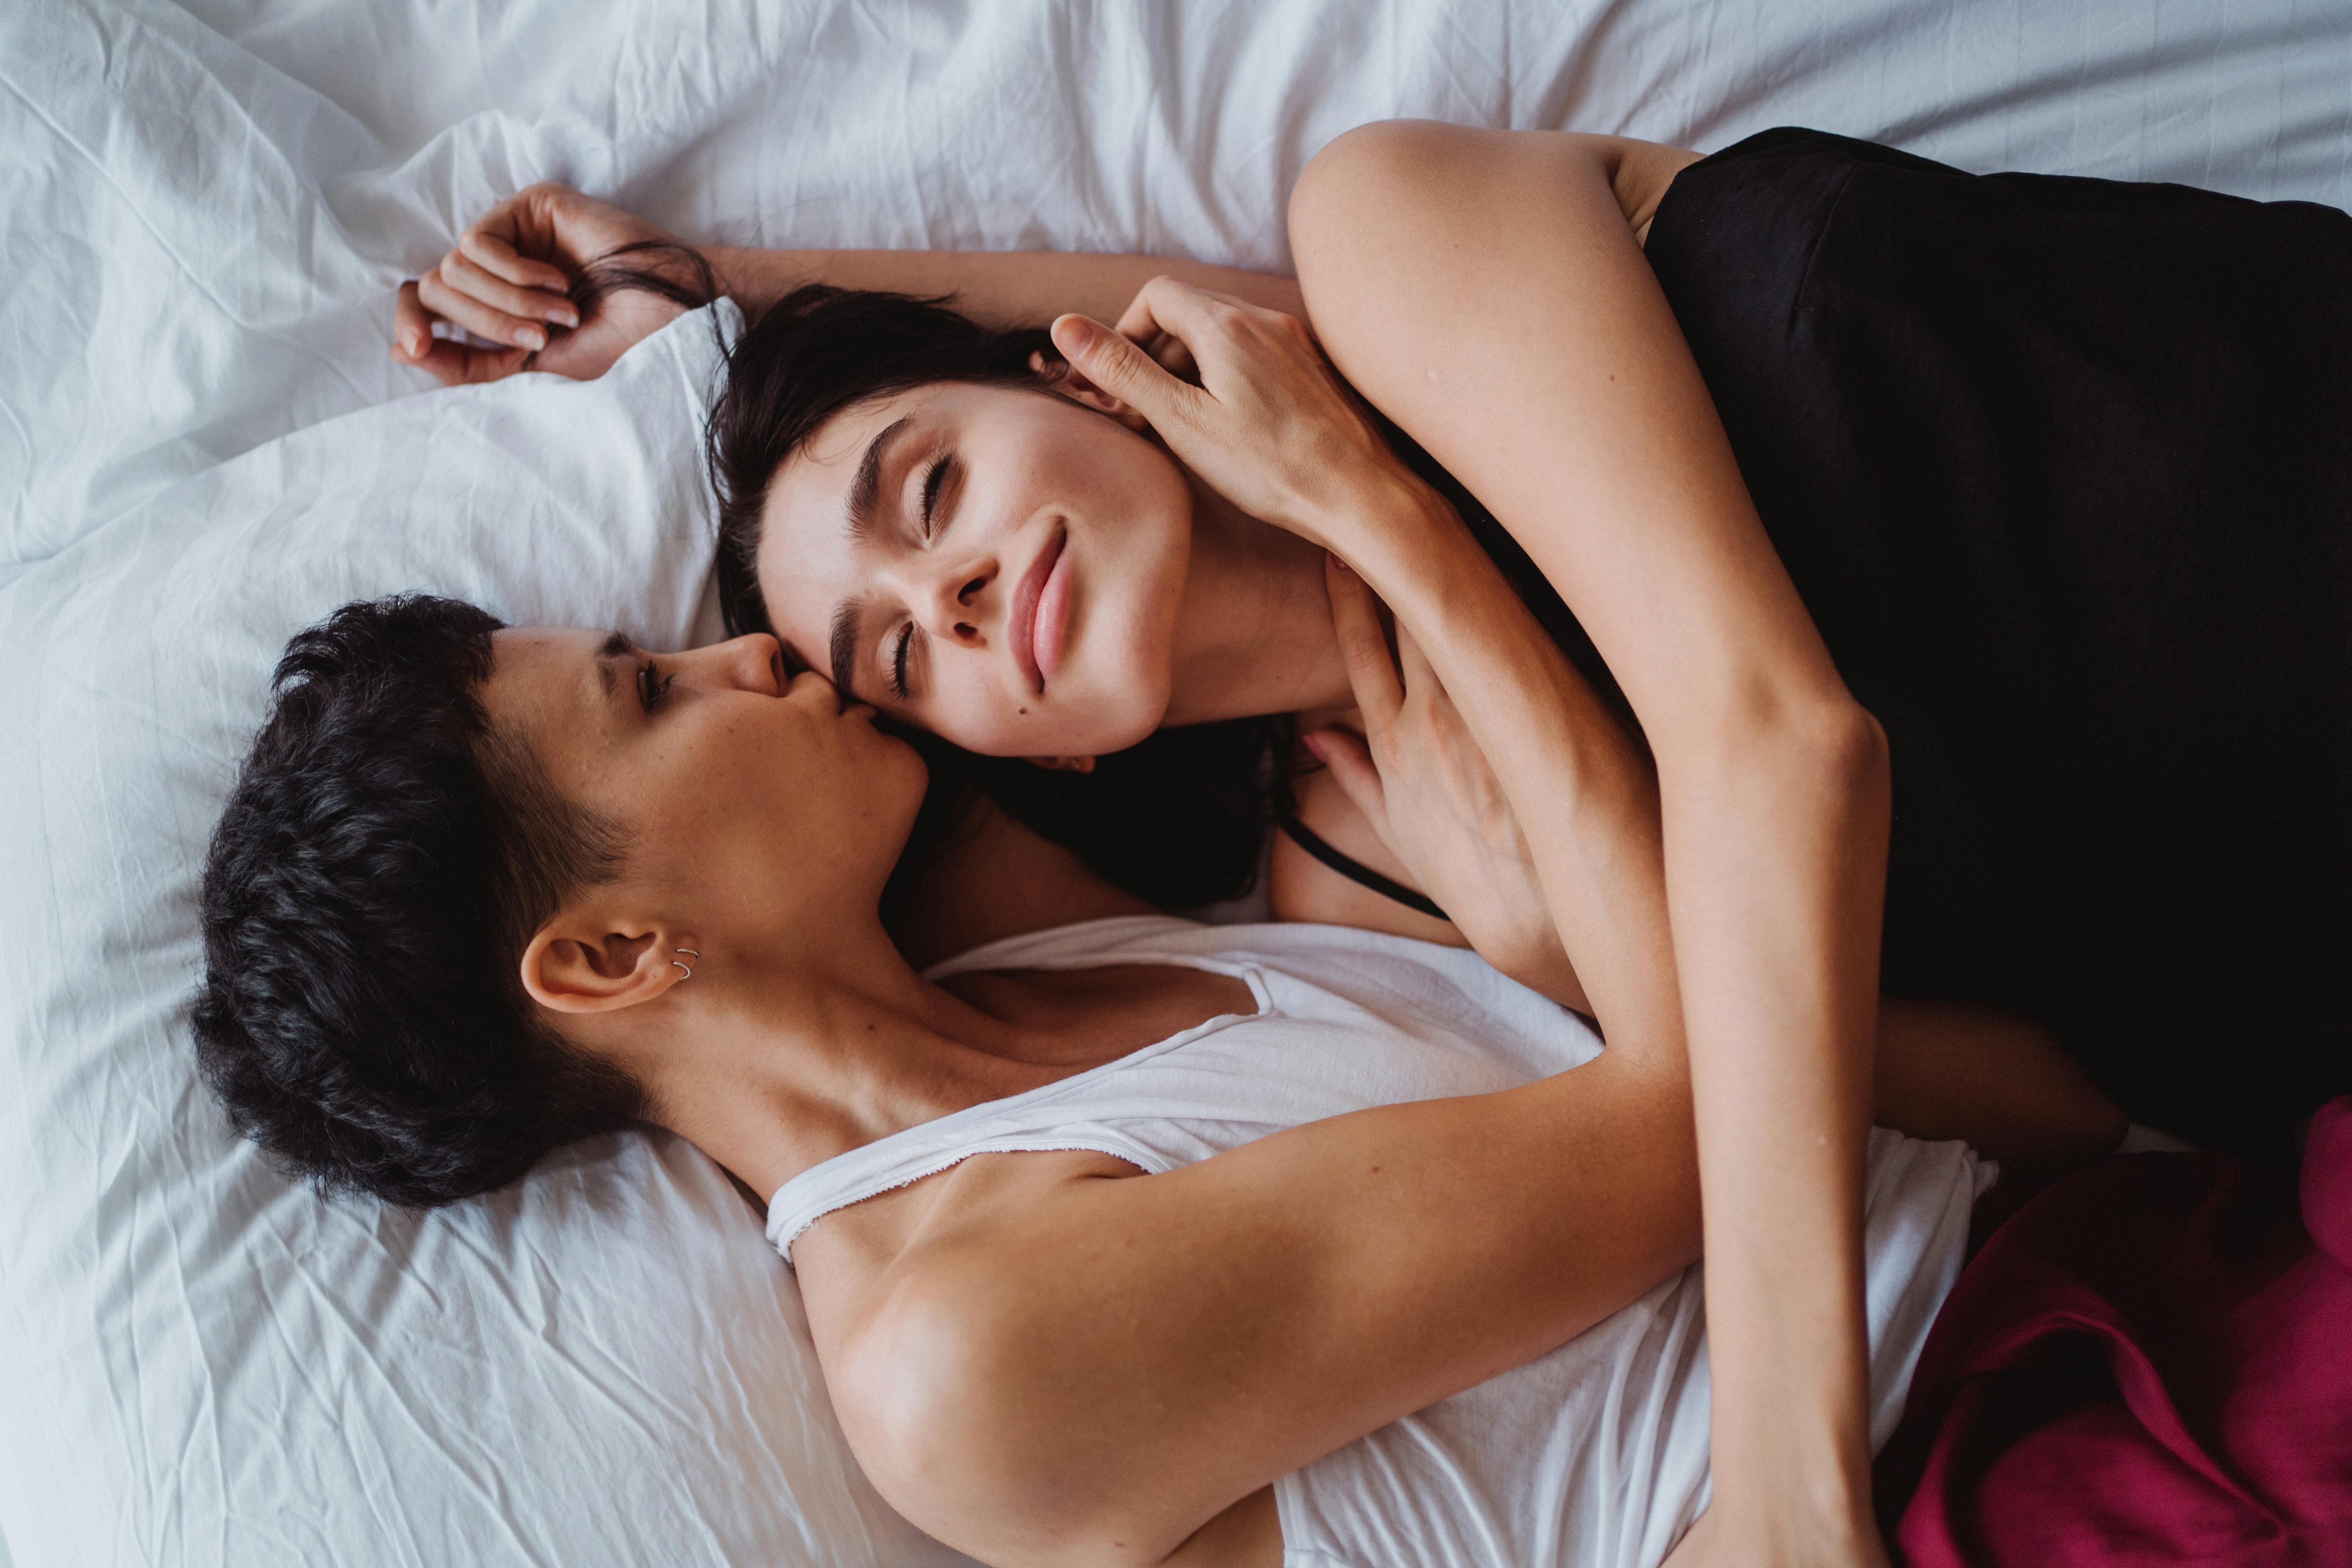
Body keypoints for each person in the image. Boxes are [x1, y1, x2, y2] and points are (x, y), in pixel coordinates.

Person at [390, 121, 2351, 1563]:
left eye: (937, 488)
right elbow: (2066, 1095)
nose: (956, 603)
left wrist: (715, 293)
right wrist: (1571, 951)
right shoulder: (1376, 888)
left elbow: (1779, 751)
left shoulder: (1399, 244)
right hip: (2196, 1186)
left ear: (1082, 367)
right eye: (895, 657)